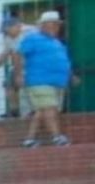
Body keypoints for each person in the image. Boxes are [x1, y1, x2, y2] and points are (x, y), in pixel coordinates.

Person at [14, 10, 76, 148]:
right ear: (42, 25)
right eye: (51, 24)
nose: (55, 27)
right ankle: (57, 137)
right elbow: (18, 54)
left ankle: (29, 139)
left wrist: (71, 76)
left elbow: (64, 61)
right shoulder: (33, 38)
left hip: (57, 82)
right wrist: (19, 75)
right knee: (49, 108)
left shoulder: (57, 42)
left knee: (42, 110)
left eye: (57, 24)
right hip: (39, 80)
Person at [0, 16, 34, 118]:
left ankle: (33, 110)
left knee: (30, 88)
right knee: (8, 85)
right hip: (18, 66)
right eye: (4, 31)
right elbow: (6, 52)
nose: (6, 33)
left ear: (16, 26)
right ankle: (14, 111)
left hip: (33, 65)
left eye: (7, 30)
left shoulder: (30, 32)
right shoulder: (8, 38)